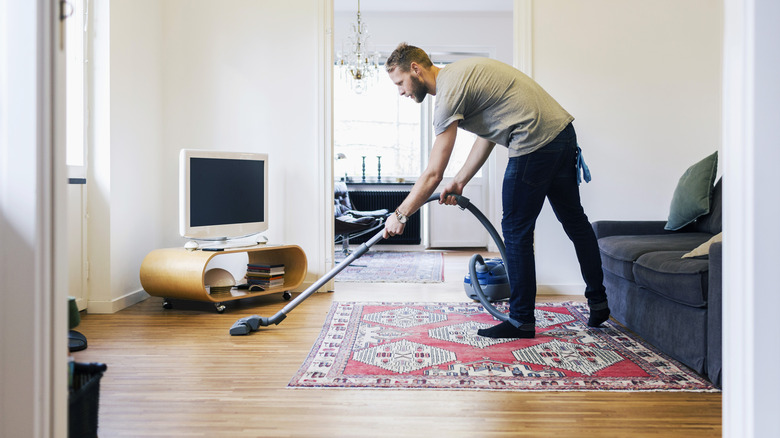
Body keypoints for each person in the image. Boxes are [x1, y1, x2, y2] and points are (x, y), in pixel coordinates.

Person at [382, 43, 609, 339]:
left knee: (515, 229)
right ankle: (599, 301)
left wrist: (400, 214)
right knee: (575, 222)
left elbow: (433, 173)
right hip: (562, 134)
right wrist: (461, 180)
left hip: (533, 141)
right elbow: (487, 136)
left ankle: (521, 320)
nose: (400, 91)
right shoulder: (461, 77)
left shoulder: (448, 93)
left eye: (400, 82)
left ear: (416, 69)